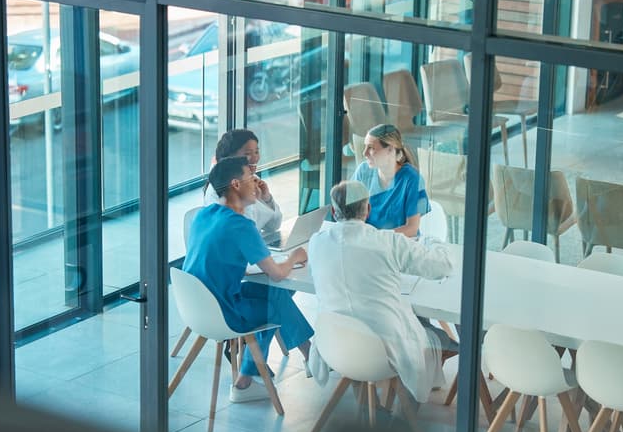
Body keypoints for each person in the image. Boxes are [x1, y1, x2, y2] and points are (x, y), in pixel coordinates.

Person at [307, 180, 456, 403]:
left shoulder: (316, 243)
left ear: (333, 211)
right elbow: (441, 266)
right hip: (383, 352)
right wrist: (433, 241)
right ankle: (404, 410)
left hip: (336, 348)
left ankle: (372, 401)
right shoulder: (387, 242)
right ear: (368, 209)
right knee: (434, 336)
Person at [184, 156, 313, 403]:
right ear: (235, 184)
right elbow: (276, 273)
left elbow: (216, 259)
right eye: (251, 178)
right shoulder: (241, 225)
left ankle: (248, 379)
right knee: (273, 302)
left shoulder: (204, 215)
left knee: (273, 294)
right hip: (224, 313)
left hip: (198, 307)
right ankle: (307, 355)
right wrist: (294, 256)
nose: (256, 183)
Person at [352, 124, 429, 237]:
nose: (364, 153)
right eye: (365, 147)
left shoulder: (412, 179)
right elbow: (350, 215)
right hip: (368, 244)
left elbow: (412, 228)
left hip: (399, 246)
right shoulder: (363, 171)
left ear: (390, 150)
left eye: (371, 148)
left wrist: (377, 238)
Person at [204, 129, 282, 234]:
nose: (255, 158)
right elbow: (244, 233)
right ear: (230, 159)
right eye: (247, 154)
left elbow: (273, 225)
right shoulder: (219, 191)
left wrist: (267, 198)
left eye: (256, 152)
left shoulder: (250, 179)